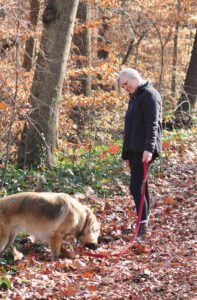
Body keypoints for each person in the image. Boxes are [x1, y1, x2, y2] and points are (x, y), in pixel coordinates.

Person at [116, 68, 162, 240]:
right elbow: (129, 127)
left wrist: (149, 149)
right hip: (134, 150)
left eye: (126, 84)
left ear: (134, 78)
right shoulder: (134, 98)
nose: (125, 88)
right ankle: (144, 224)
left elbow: (153, 125)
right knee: (142, 185)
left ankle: (142, 226)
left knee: (136, 187)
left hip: (145, 150)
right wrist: (126, 154)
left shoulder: (150, 95)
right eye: (123, 86)